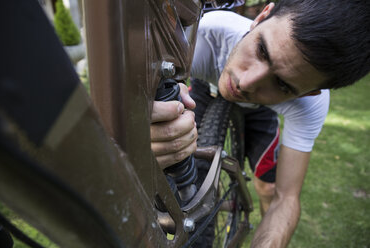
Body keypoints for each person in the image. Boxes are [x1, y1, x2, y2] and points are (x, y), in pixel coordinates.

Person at [151, 0, 370, 247]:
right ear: (261, 16)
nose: (246, 82)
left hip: (261, 111)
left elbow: (286, 198)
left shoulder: (311, 104)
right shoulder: (206, 35)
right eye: (262, 50)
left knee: (268, 188)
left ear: (308, 94)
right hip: (206, 91)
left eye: (282, 84)